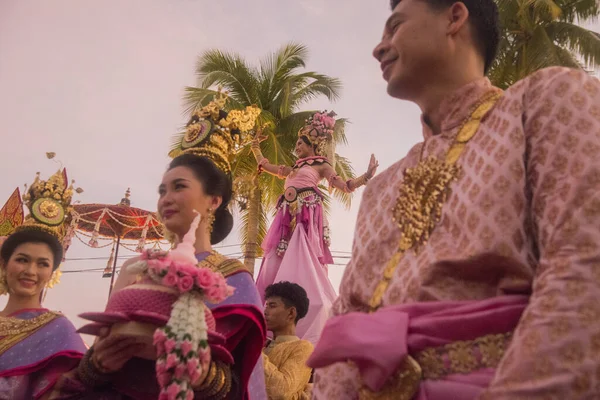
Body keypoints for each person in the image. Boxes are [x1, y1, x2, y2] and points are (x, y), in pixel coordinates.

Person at [307, 0, 600, 399]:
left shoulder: (548, 98)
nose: (379, 47)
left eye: (394, 27)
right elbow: (348, 321)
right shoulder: (380, 189)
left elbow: (585, 266)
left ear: (455, 17)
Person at [50, 93, 267, 399]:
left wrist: (199, 372)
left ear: (214, 200)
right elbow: (93, 364)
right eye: (162, 190)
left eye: (179, 187)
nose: (166, 198)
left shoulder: (235, 279)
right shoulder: (134, 268)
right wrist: (98, 364)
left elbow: (238, 385)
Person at [253, 111, 379, 344]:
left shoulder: (321, 164)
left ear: (312, 145)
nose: (297, 147)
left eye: (301, 143)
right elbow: (265, 165)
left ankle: (307, 311)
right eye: (297, 143)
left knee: (305, 257)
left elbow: (345, 185)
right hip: (285, 215)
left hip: (307, 214)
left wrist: (366, 176)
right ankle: (267, 311)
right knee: (275, 259)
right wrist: (254, 147)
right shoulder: (292, 168)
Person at [0, 167, 87, 399]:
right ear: (4, 264)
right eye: (22, 260)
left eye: (42, 264)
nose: (30, 271)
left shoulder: (57, 331)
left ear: (52, 272)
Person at [262, 281, 313, 400]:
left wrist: (253, 349)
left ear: (291, 313)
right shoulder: (263, 345)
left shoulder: (303, 348)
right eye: (266, 306)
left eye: (272, 306)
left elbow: (281, 391)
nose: (265, 311)